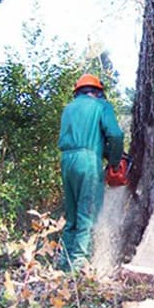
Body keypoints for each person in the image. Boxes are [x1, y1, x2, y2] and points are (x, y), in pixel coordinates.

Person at [58, 74, 124, 271]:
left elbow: (86, 136)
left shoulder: (69, 109)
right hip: (87, 160)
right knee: (87, 213)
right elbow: (116, 134)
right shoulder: (101, 106)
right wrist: (114, 162)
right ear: (98, 92)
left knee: (71, 216)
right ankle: (78, 266)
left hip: (67, 160)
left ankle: (64, 262)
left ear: (77, 91)